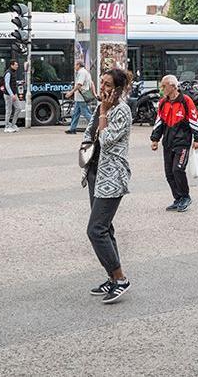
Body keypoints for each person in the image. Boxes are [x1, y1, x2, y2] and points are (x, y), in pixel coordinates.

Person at [82, 67, 133, 304]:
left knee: (96, 230)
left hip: (112, 178)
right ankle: (111, 278)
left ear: (119, 89)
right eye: (102, 83)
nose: (102, 88)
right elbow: (89, 133)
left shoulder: (122, 111)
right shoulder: (99, 107)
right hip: (95, 173)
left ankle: (120, 279)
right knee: (106, 228)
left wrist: (104, 111)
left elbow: (106, 139)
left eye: (107, 85)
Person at [150, 74, 198, 212]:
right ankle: (178, 198)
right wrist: (155, 139)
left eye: (164, 86)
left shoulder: (186, 101)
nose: (161, 89)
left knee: (178, 169)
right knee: (169, 173)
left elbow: (194, 119)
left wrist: (197, 139)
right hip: (167, 143)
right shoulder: (163, 102)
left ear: (173, 86)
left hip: (183, 142)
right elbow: (159, 122)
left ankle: (185, 197)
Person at [66, 60, 96, 134]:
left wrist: (71, 92)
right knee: (75, 113)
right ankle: (72, 129)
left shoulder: (81, 72)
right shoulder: (86, 72)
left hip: (81, 97)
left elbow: (79, 84)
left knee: (86, 113)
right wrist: (94, 93)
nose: (74, 67)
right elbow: (92, 83)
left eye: (75, 65)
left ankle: (96, 126)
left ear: (78, 65)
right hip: (80, 97)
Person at [1, 59, 23, 133]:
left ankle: (13, 124)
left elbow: (12, 82)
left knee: (19, 108)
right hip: (9, 95)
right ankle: (6, 126)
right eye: (16, 65)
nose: (17, 66)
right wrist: (11, 95)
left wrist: (19, 82)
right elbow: (7, 85)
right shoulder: (8, 73)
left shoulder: (13, 72)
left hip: (14, 94)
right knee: (9, 110)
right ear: (12, 65)